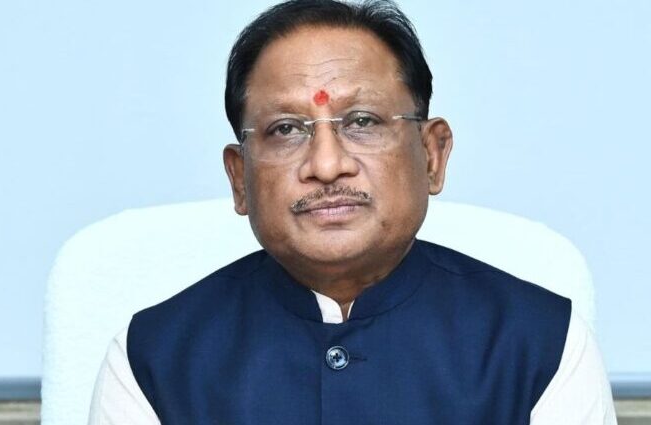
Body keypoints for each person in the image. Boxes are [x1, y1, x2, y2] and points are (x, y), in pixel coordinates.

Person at [88, 0, 617, 423]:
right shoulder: (154, 358)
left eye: (362, 121)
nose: (327, 165)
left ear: (432, 156)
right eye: (286, 129)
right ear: (240, 177)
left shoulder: (539, 343)